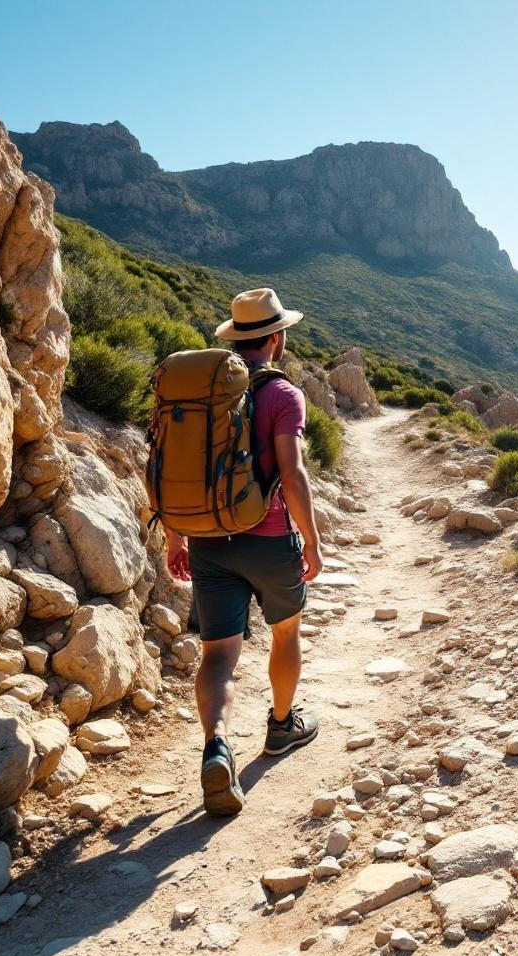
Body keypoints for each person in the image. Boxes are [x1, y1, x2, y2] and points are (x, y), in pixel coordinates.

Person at [164, 288, 323, 816]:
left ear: (237, 339)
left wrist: (174, 535)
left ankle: (217, 746)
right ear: (276, 339)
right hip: (270, 537)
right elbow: (293, 474)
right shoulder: (283, 395)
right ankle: (281, 726)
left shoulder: (201, 392)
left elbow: (167, 463)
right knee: (286, 631)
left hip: (208, 538)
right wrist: (314, 542)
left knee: (219, 656)